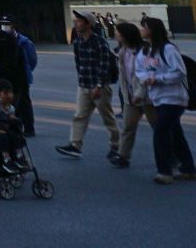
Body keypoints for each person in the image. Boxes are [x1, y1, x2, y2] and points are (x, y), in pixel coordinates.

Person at [136, 17, 195, 185]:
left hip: (174, 98)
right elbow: (139, 70)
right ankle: (188, 168)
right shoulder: (144, 51)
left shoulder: (168, 49)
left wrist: (158, 79)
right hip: (158, 98)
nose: (141, 30)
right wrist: (146, 79)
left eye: (144, 27)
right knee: (175, 132)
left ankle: (164, 171)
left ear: (152, 30)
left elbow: (179, 72)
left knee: (160, 132)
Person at [55, 9, 119, 159]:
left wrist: (99, 85)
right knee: (79, 116)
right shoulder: (77, 42)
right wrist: (82, 82)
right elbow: (78, 63)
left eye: (79, 21)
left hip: (99, 87)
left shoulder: (99, 42)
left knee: (108, 118)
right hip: (84, 85)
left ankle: (116, 146)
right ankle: (75, 145)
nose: (76, 24)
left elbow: (104, 65)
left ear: (88, 24)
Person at [110, 21, 154, 168]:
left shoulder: (145, 50)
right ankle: (123, 156)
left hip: (147, 98)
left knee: (159, 127)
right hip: (130, 97)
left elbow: (148, 73)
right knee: (128, 127)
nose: (116, 34)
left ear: (125, 35)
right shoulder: (122, 51)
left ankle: (173, 155)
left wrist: (140, 93)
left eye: (118, 32)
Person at [0, 15, 38, 137]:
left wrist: (25, 71)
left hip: (21, 78)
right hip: (6, 78)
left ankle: (29, 128)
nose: (4, 26)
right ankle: (14, 127)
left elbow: (32, 60)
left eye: (7, 24)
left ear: (13, 25)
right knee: (8, 104)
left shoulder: (24, 42)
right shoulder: (0, 40)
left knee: (24, 103)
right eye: (2, 23)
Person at [0, 78, 28, 174]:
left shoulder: (11, 107)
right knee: (3, 138)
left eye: (11, 93)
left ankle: (19, 156)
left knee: (15, 136)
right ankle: (7, 159)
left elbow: (11, 116)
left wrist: (15, 119)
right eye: (6, 93)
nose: (9, 95)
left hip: (6, 129)